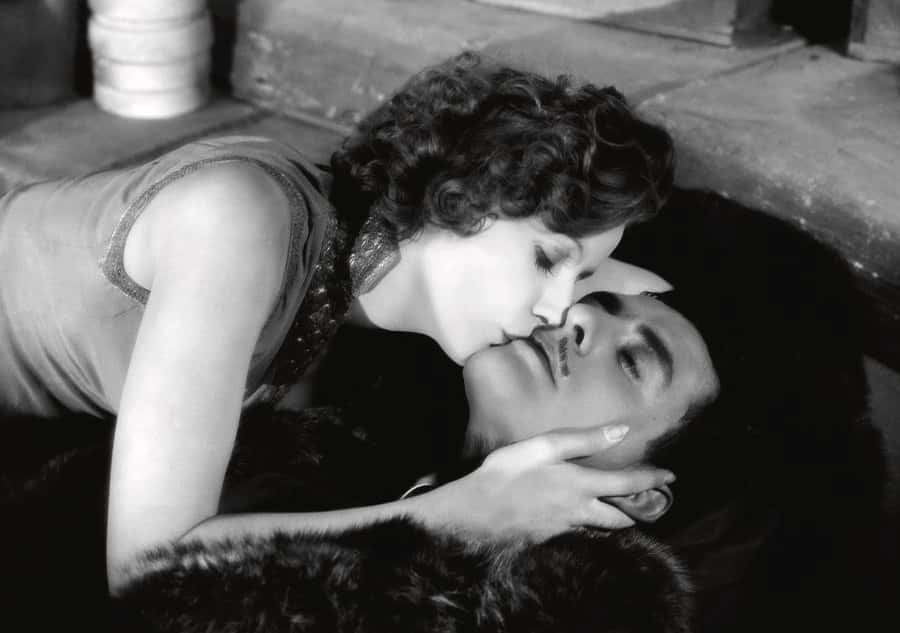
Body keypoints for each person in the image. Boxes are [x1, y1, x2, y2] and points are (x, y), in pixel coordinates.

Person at [0, 52, 677, 593]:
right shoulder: (241, 221)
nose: (556, 311)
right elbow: (145, 566)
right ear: (463, 198)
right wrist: (466, 511)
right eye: (547, 260)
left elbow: (638, 280)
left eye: (583, 279)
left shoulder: (339, 283)